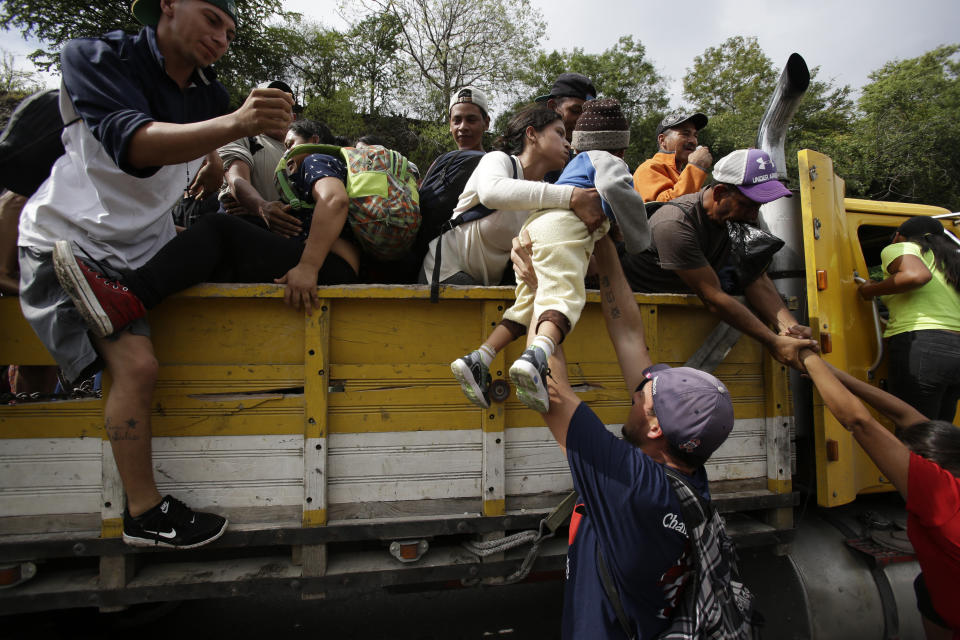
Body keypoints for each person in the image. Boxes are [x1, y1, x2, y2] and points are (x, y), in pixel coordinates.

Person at [16, 0, 295, 549]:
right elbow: (134, 147)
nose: (222, 38)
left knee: (98, 370)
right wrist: (235, 124)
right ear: (167, 5)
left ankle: (49, 453)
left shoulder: (209, 96)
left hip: (140, 255)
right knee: (134, 368)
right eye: (212, 19)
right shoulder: (94, 57)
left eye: (231, 31)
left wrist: (213, 155)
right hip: (68, 242)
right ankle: (143, 512)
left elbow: (202, 146)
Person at [513, 230, 741, 638]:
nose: (637, 390)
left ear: (655, 428)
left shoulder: (632, 487)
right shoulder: (684, 478)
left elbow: (547, 389)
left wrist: (541, 288)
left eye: (644, 396)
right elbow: (630, 335)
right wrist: (602, 242)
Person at [451, 99, 650, 413]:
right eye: (559, 132)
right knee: (564, 297)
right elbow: (615, 187)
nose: (566, 142)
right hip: (547, 234)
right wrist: (638, 236)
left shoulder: (560, 178)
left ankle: (480, 358)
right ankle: (535, 359)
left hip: (537, 232)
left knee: (529, 305)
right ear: (621, 149)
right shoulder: (599, 161)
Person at [798, 350, 960, 639]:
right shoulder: (953, 459)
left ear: (932, 466)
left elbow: (859, 422)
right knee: (926, 585)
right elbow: (907, 417)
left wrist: (808, 357)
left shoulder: (944, 496)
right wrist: (834, 374)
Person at [620, 148, 815, 370]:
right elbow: (713, 296)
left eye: (759, 205)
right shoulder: (675, 224)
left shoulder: (738, 219)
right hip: (644, 322)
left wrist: (791, 330)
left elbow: (755, 278)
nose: (754, 213)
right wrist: (774, 341)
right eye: (748, 204)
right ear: (720, 192)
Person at [420, 104, 604, 287]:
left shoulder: (543, 193)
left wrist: (588, 255)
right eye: (559, 133)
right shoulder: (498, 160)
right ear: (531, 134)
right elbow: (492, 193)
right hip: (444, 273)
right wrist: (572, 196)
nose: (568, 144)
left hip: (485, 286)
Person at [857, 215, 960, 422]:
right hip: (956, 350)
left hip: (923, 345)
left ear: (898, 236)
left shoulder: (903, 247)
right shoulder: (950, 261)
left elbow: (916, 275)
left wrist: (870, 290)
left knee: (915, 432)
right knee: (939, 436)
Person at [218, 80, 299, 234]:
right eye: (270, 105)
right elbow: (236, 180)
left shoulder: (302, 151)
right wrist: (260, 206)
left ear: (293, 116)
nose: (276, 111)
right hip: (245, 233)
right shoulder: (240, 136)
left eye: (283, 107)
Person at [633, 110, 713, 203]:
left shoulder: (681, 174)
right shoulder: (649, 168)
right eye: (685, 134)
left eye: (695, 135)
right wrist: (696, 167)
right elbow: (664, 208)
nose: (693, 141)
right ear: (662, 140)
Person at [535, 73, 597, 142]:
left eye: (587, 114)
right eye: (575, 111)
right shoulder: (531, 145)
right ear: (552, 107)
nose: (582, 120)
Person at [448, 87, 490, 152]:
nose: (462, 127)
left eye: (471, 120)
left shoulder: (495, 161)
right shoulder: (443, 161)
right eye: (457, 121)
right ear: (450, 124)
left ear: (486, 123)